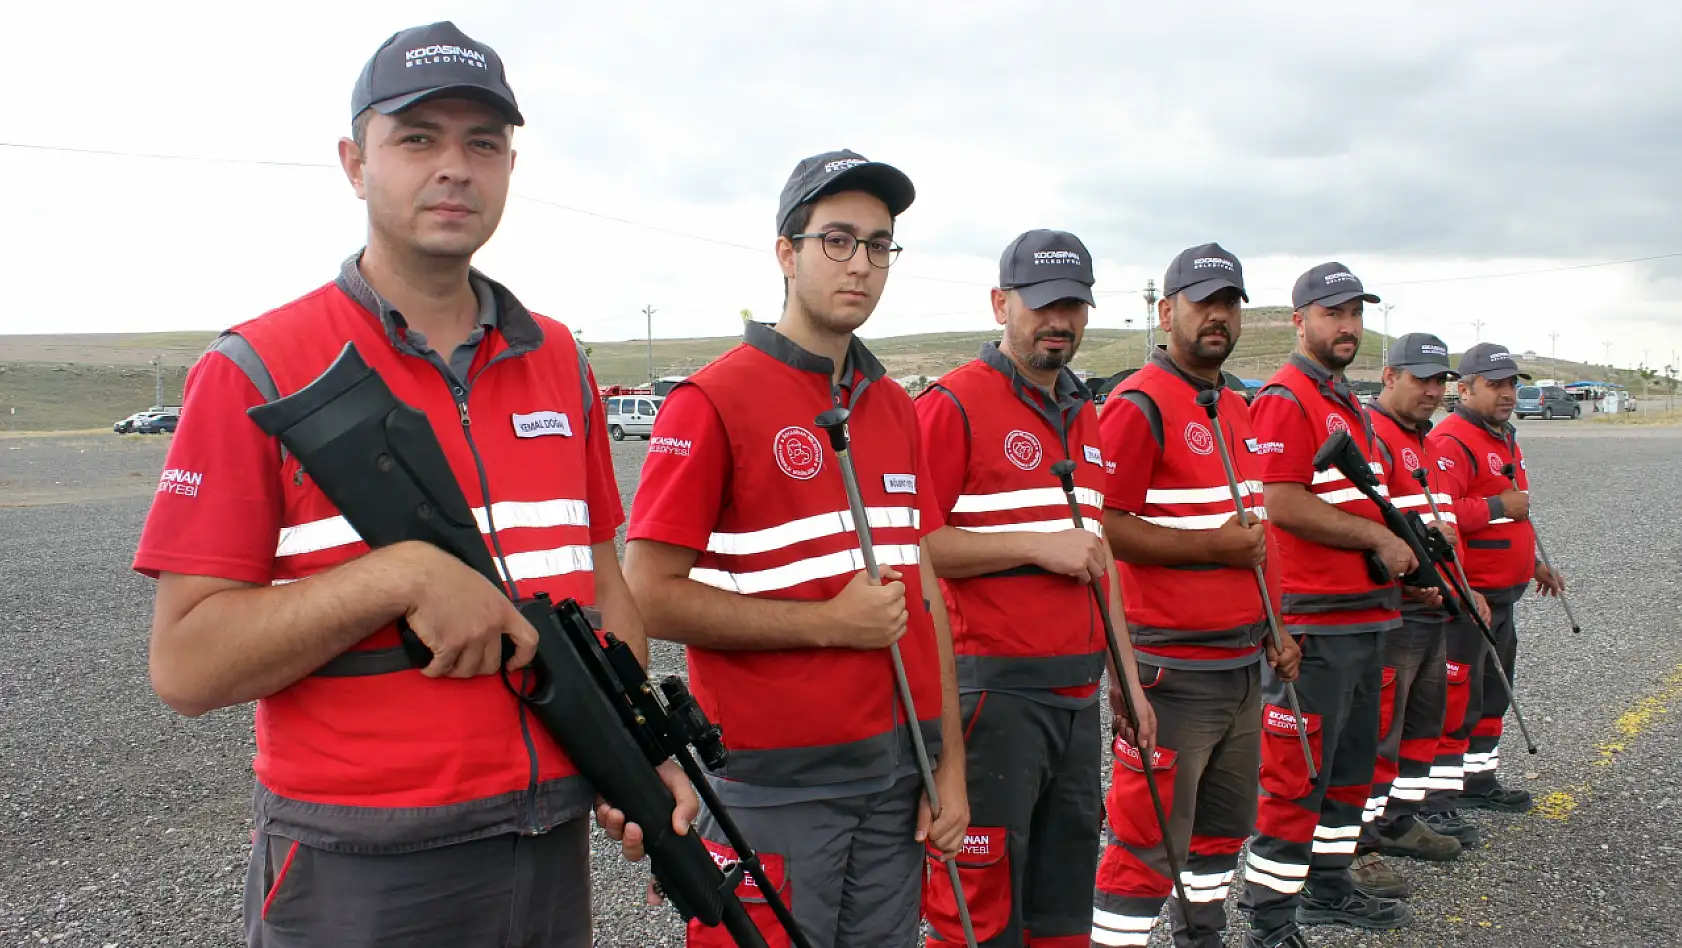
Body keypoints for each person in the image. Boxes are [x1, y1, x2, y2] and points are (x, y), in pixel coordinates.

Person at [132, 22, 690, 948]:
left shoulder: (559, 359)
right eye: (417, 138)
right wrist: (396, 579)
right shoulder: (258, 369)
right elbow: (185, 667)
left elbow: (605, 582)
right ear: (356, 163)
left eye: (483, 143)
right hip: (364, 864)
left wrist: (639, 744)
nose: (455, 168)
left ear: (511, 164)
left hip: (547, 844)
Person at [622, 150, 967, 948]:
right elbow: (646, 592)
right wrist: (827, 624)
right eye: (838, 240)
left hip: (895, 779)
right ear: (788, 251)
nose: (862, 264)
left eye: (880, 245)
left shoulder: (894, 407)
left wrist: (946, 763)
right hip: (774, 788)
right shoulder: (711, 401)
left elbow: (925, 597)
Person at [915, 230, 1153, 947]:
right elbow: (917, 546)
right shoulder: (950, 405)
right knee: (979, 902)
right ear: (1000, 304)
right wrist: (1035, 548)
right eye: (1044, 304)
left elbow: (1097, 556)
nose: (1061, 321)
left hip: (1078, 698)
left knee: (1061, 898)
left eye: (1074, 305)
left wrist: (1130, 683)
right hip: (993, 696)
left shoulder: (1087, 412)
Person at [1092, 243, 1301, 948]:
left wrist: (1277, 624)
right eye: (1203, 302)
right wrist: (1211, 550)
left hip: (1243, 666)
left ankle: (1202, 937)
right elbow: (1104, 528)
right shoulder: (1138, 404)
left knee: (1219, 834)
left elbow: (1255, 529)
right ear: (1166, 310)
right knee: (1147, 844)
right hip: (1173, 671)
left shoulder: (1234, 404)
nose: (1218, 316)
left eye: (1230, 303)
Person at [1237, 262, 1416, 946]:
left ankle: (1329, 888)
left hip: (1365, 614)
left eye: (1355, 315)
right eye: (1333, 313)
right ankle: (1271, 920)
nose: (1347, 327)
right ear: (1300, 319)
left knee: (1348, 771)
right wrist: (1374, 535)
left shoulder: (1346, 402)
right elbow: (1279, 501)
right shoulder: (1287, 396)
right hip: (1314, 620)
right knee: (1294, 778)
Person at [1354, 333, 1483, 897]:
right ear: (1389, 377)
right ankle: (1359, 837)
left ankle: (1400, 819)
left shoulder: (1423, 438)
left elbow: (1438, 526)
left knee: (1422, 722)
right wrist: (1413, 579)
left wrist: (1461, 584)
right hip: (1399, 611)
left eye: (1439, 382)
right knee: (1380, 728)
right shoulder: (1371, 435)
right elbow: (1364, 526)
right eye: (1421, 379)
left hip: (1435, 607)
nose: (1433, 391)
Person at [1422, 343, 1566, 828]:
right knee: (1454, 693)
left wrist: (1533, 566)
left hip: (1504, 594)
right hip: (1468, 597)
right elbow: (1441, 516)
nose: (1507, 393)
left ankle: (1477, 781)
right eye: (1495, 384)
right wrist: (1501, 507)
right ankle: (1435, 798)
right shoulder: (1451, 441)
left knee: (1492, 692)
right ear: (1463, 389)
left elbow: (1513, 511)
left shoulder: (1504, 436)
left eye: (1511, 384)